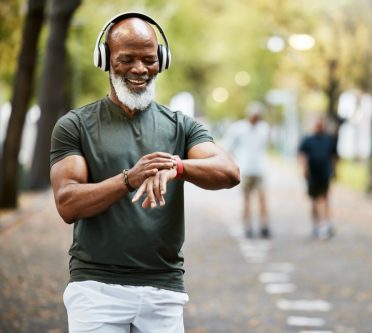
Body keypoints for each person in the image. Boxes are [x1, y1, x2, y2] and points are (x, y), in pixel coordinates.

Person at [49, 12, 240, 333]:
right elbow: (68, 204)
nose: (140, 69)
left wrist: (177, 166)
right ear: (105, 59)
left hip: (163, 289)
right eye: (127, 59)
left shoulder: (181, 125)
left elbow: (229, 172)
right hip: (96, 289)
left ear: (162, 60)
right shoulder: (75, 125)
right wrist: (128, 179)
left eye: (149, 59)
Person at [224, 101, 271, 238]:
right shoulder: (239, 128)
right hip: (245, 169)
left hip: (260, 169)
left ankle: (264, 225)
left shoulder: (264, 128)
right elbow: (229, 147)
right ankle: (247, 226)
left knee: (262, 199)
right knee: (246, 200)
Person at [298, 116, 338, 240]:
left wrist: (335, 170)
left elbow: (334, 155)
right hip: (312, 174)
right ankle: (316, 224)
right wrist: (304, 169)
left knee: (325, 199)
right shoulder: (308, 139)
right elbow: (302, 154)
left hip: (325, 173)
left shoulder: (328, 139)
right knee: (314, 200)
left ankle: (325, 223)